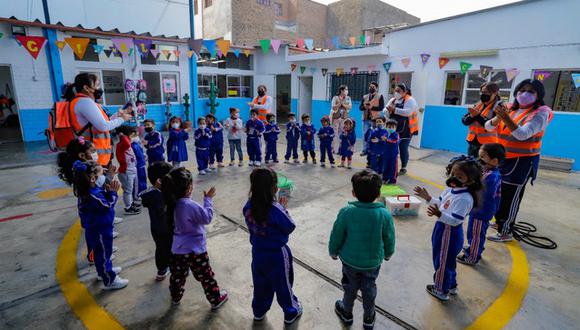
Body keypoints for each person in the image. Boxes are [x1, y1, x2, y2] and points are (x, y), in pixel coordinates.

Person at [484, 79, 553, 242]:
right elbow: (488, 126)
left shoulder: (541, 112)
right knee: (498, 191)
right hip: (503, 158)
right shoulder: (509, 107)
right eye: (522, 90)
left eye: (531, 91)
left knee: (511, 195)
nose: (524, 94)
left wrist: (505, 117)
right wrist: (497, 118)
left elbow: (523, 134)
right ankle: (500, 220)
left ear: (539, 95)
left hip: (522, 161)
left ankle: (506, 230)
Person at [329, 170, 395, 330]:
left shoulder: (346, 212)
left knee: (350, 287)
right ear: (379, 193)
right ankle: (368, 316)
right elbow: (389, 237)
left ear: (353, 192)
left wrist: (333, 250)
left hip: (350, 261)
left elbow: (337, 234)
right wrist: (388, 253)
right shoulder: (384, 214)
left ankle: (346, 311)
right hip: (372, 262)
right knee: (369, 288)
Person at [414, 157, 483, 301]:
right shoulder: (451, 189)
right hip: (442, 228)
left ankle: (440, 289)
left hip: (449, 233)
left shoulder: (464, 198)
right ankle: (451, 285)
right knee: (447, 260)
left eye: (459, 177)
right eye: (452, 174)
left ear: (469, 181)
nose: (454, 178)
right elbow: (441, 202)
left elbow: (456, 220)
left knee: (442, 261)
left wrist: (439, 214)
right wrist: (428, 198)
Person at [243, 168, 303, 324]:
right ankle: (291, 311)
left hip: (258, 253)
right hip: (277, 254)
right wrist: (283, 207)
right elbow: (290, 226)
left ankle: (259, 311)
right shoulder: (275, 209)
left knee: (260, 283)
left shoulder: (248, 206)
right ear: (274, 188)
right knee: (283, 284)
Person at [161, 167, 228, 308]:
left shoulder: (170, 203)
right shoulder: (189, 205)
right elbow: (207, 217)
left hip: (178, 250)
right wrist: (208, 200)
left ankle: (175, 297)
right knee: (206, 276)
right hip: (196, 251)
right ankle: (215, 299)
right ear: (188, 188)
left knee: (177, 276)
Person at [71, 160, 129, 290]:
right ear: (92, 178)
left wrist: (107, 189)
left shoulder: (89, 190)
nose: (103, 173)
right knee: (103, 254)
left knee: (102, 254)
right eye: (100, 172)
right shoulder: (93, 194)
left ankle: (102, 272)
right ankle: (109, 280)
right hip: (100, 229)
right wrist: (113, 193)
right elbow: (107, 206)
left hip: (98, 227)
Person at [64, 73, 132, 167]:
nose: (99, 88)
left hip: (93, 154)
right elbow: (103, 126)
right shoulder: (85, 102)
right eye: (97, 85)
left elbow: (99, 123)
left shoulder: (81, 101)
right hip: (94, 157)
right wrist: (122, 119)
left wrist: (117, 115)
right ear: (87, 88)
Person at [457, 144, 504, 265]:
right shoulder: (489, 171)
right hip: (478, 209)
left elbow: (478, 188)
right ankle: (475, 248)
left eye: (482, 157)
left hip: (482, 211)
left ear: (494, 161)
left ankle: (472, 257)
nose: (479, 159)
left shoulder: (491, 177)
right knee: (473, 232)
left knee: (477, 234)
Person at [140, 161, 174, 281]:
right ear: (160, 181)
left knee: (160, 249)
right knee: (172, 249)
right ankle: (175, 269)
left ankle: (161, 271)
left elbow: (142, 196)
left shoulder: (150, 193)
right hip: (168, 228)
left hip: (155, 229)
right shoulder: (162, 195)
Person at [386, 83, 419, 175]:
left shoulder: (410, 100)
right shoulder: (393, 100)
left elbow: (408, 112)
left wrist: (394, 110)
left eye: (399, 91)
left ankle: (403, 167)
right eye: (395, 90)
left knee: (403, 149)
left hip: (406, 130)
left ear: (405, 92)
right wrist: (387, 111)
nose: (396, 93)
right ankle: (392, 166)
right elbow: (386, 109)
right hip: (393, 129)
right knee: (392, 147)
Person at [461, 82, 501, 157]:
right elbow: (465, 121)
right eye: (482, 92)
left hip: (488, 145)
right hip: (472, 142)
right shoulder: (478, 104)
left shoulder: (499, 106)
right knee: (472, 166)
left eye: (486, 92)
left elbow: (490, 126)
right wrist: (472, 116)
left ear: (495, 93)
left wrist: (477, 115)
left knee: (483, 167)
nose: (483, 94)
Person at [116, 125, 141, 215]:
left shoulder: (125, 145)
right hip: (126, 172)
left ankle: (130, 203)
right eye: (133, 135)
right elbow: (126, 143)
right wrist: (122, 135)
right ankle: (128, 208)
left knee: (129, 190)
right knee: (128, 191)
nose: (134, 138)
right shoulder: (122, 144)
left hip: (130, 171)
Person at [360, 82, 384, 157]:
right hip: (366, 119)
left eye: (373, 87)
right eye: (370, 86)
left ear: (376, 88)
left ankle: (375, 150)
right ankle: (365, 150)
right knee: (365, 135)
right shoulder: (365, 97)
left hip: (375, 120)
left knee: (375, 135)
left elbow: (381, 107)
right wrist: (365, 107)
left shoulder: (380, 96)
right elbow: (360, 108)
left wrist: (371, 108)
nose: (371, 88)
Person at [330, 85, 352, 153]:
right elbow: (333, 107)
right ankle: (333, 148)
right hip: (336, 118)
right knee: (334, 133)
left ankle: (340, 149)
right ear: (341, 90)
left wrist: (343, 104)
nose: (347, 91)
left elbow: (349, 107)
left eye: (347, 90)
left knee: (342, 134)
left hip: (344, 118)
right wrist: (340, 103)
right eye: (346, 89)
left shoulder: (348, 98)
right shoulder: (335, 98)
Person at [382, 119, 400, 184]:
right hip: (386, 154)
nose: (391, 128)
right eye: (389, 127)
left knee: (392, 167)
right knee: (385, 166)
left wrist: (387, 139)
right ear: (386, 127)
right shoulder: (385, 133)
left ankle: (392, 179)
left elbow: (395, 141)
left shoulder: (396, 135)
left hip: (393, 155)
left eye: (393, 127)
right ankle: (385, 178)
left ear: (395, 128)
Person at [131, 129, 147, 194]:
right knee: (138, 181)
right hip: (137, 165)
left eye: (137, 135)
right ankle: (138, 194)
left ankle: (143, 191)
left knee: (143, 178)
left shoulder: (137, 144)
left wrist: (144, 156)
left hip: (141, 164)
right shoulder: (132, 145)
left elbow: (141, 152)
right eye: (134, 135)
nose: (137, 137)